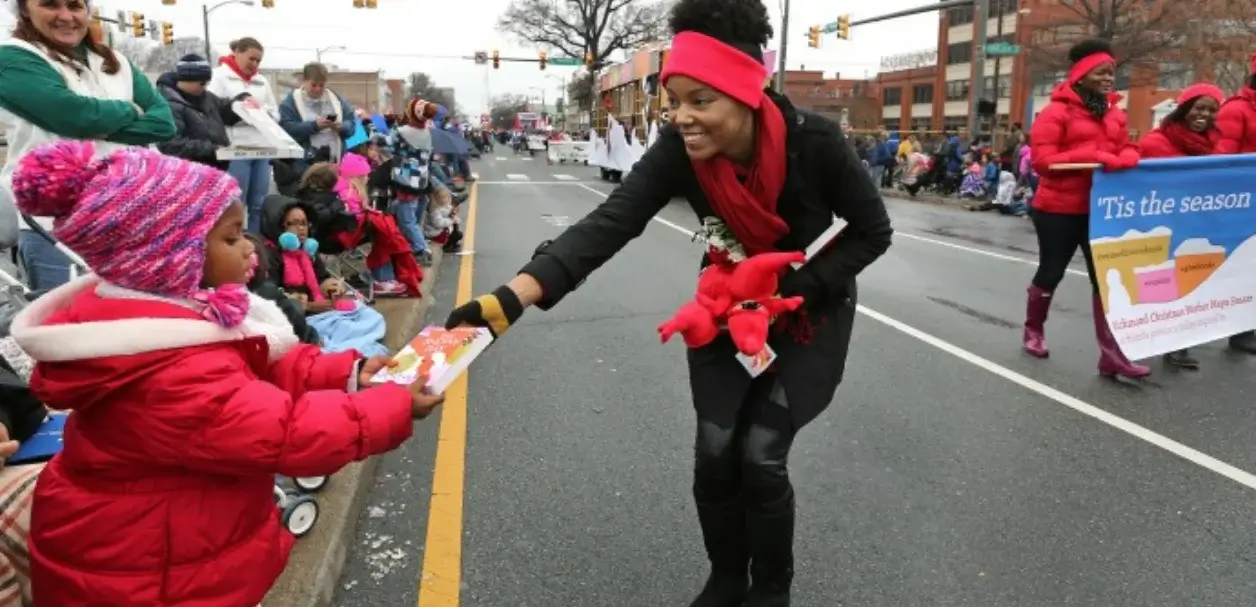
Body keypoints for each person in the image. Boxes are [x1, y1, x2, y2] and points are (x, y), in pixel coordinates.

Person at [444, 0, 893, 603]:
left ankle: (771, 589)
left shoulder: (817, 144)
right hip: (726, 307)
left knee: (760, 456)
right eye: (673, 100)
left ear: (745, 95)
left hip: (809, 309)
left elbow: (873, 232)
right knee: (715, 451)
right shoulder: (678, 152)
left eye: (699, 101)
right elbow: (611, 221)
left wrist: (788, 292)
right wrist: (509, 300)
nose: (681, 117)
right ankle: (728, 576)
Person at [6, 140, 443, 606]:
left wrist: (349, 375)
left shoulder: (171, 321)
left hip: (166, 542)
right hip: (149, 571)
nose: (250, 250)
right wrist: (390, 404)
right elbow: (284, 432)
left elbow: (262, 362)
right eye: (232, 238)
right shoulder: (168, 368)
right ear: (171, 256)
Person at [0, 0, 176, 290]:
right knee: (66, 328)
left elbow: (163, 123)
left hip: (129, 220)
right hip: (54, 228)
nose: (66, 16)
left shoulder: (116, 62)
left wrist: (95, 125)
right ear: (24, 10)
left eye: (75, 6)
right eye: (50, 5)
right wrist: (129, 109)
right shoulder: (14, 58)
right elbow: (75, 116)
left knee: (134, 325)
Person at [1022, 38, 1149, 379]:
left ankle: (1111, 355)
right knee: (1051, 272)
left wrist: (1128, 157)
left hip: (1102, 209)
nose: (1110, 78)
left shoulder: (1114, 114)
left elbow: (1127, 147)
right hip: (1058, 208)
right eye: (1102, 72)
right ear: (1081, 73)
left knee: (1107, 281)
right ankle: (1033, 330)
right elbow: (1043, 161)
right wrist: (1095, 157)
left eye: (1112, 72)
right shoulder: (1055, 112)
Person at [1137, 83, 1224, 369]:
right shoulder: (1155, 142)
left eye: (1212, 110)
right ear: (1184, 108)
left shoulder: (1216, 145)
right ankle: (1150, 335)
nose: (1205, 115)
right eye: (1199, 108)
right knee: (1162, 283)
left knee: (1190, 281)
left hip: (1196, 223)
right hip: (1161, 224)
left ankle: (1177, 344)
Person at [209, 37, 281, 233]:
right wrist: (242, 113)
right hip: (234, 147)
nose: (255, 65)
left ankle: (256, 247)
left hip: (262, 146)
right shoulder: (219, 77)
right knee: (236, 202)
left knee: (259, 203)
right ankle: (234, 243)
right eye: (251, 59)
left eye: (259, 61)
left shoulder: (262, 81)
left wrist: (262, 113)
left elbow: (276, 113)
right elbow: (211, 110)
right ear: (237, 53)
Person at [1211, 54, 1256, 355]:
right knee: (1241, 265)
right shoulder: (1236, 110)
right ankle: (1239, 331)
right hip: (1242, 202)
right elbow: (1222, 159)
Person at [157, 54, 248, 170]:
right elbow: (170, 144)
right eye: (202, 83)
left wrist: (242, 100)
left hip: (216, 168)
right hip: (190, 172)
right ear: (186, 80)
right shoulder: (168, 105)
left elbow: (225, 111)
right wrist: (212, 149)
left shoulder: (207, 97)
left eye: (207, 83)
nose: (205, 87)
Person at [279, 62, 357, 173]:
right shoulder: (290, 102)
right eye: (314, 85)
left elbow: (352, 126)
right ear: (304, 81)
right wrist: (314, 126)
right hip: (305, 165)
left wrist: (340, 127)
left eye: (321, 85)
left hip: (336, 163)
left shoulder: (337, 100)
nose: (317, 89)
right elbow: (287, 129)